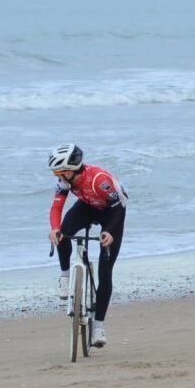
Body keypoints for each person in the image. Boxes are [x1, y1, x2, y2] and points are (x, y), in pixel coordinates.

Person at [46, 144, 127, 348]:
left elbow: (120, 208)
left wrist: (109, 231)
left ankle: (98, 326)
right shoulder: (66, 182)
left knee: (105, 270)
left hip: (112, 214)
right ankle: (65, 277)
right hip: (88, 207)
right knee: (62, 234)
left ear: (72, 170)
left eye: (60, 172)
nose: (58, 176)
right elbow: (56, 207)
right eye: (56, 173)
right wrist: (55, 228)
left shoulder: (99, 181)